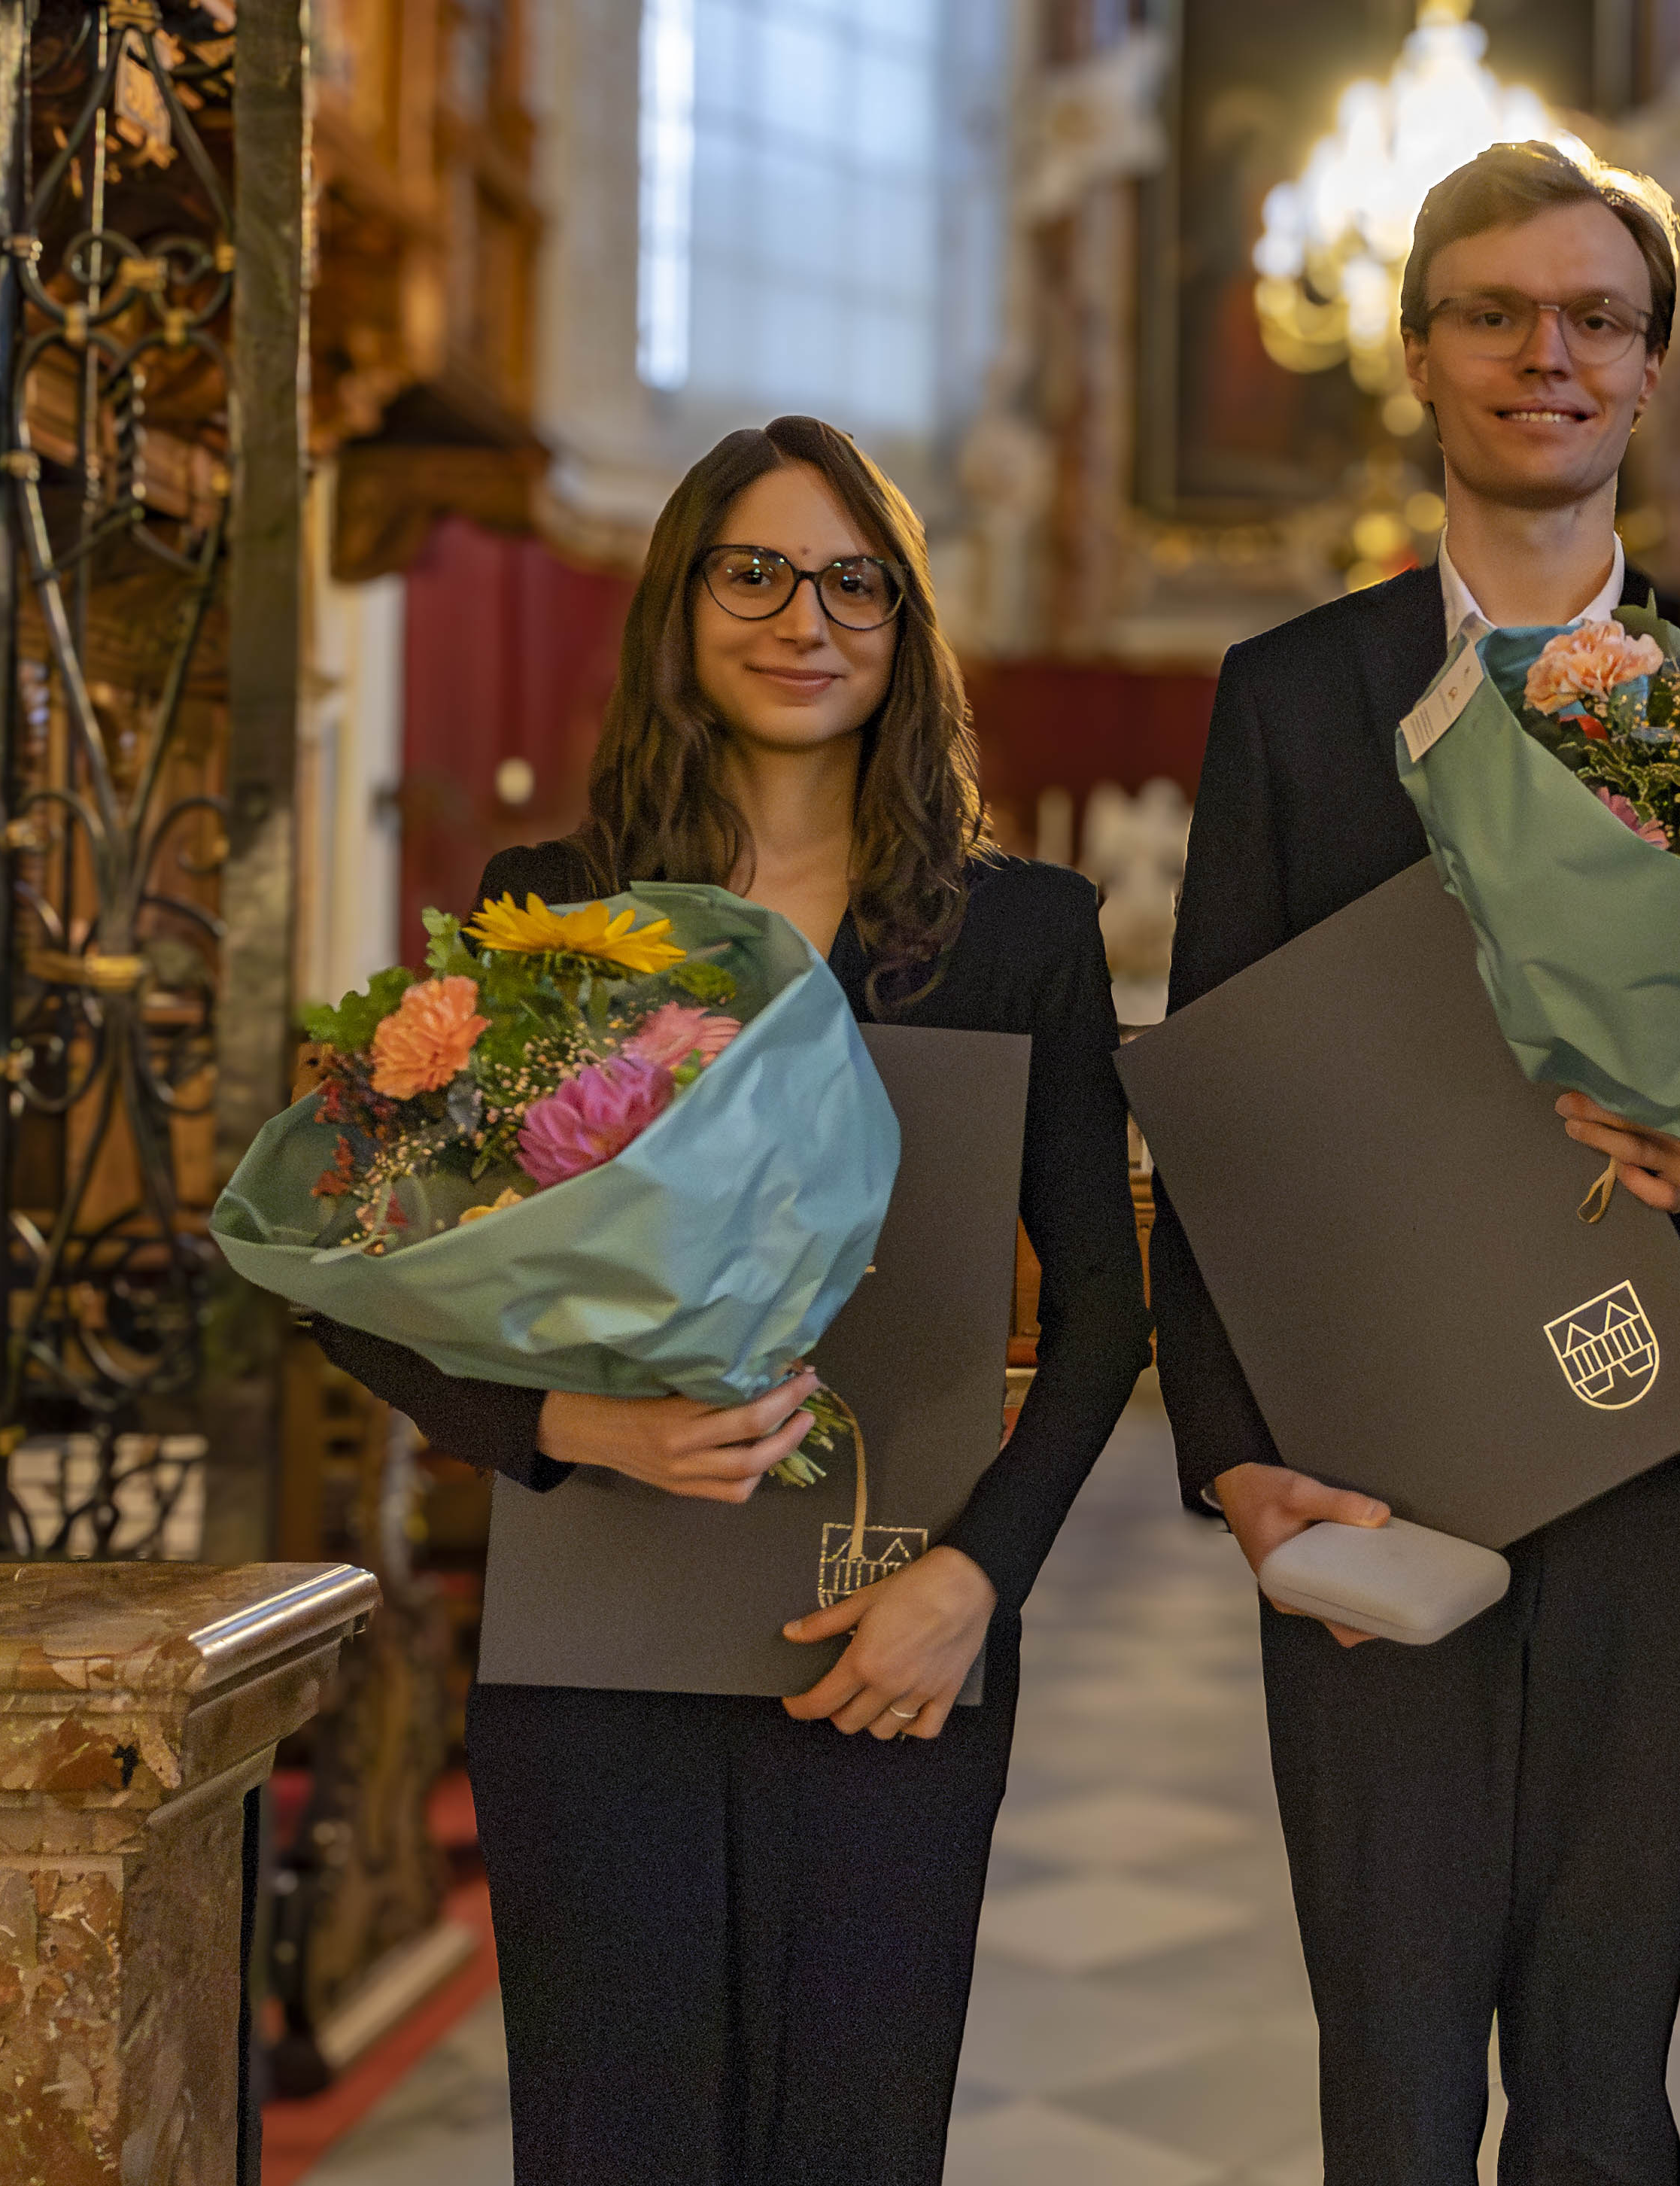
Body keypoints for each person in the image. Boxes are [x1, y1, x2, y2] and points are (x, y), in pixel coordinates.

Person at [1147, 142, 1680, 2184]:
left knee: (1600, 2082)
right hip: (1377, 1460)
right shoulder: (1292, 700)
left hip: (1671, 1459)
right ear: (1415, 354)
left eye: (1594, 317)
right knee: (1394, 2084)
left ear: (1652, 368)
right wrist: (1236, 1463)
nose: (1545, 355)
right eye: (1492, 313)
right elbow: (1211, 1106)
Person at [310, 415, 1150, 2184]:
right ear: (681, 603)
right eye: (754, 571)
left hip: (885, 1649)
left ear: (905, 628)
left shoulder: (1019, 936)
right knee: (611, 2145)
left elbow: (1104, 1316)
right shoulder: (555, 913)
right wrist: (569, 1421)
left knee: (852, 2142)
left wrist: (976, 1582)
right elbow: (350, 1272)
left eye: (855, 582)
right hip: (597, 1658)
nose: (804, 618)